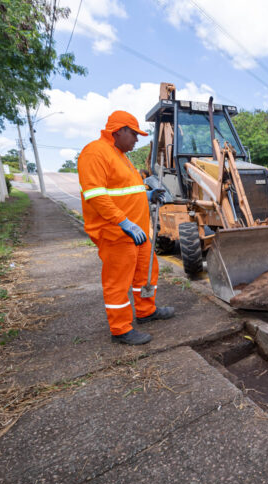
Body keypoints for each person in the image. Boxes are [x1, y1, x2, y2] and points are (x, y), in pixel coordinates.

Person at [78, 110, 173, 345]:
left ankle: (146, 311)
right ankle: (120, 329)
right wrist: (124, 222)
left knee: (146, 274)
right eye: (133, 133)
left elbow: (126, 191)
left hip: (137, 232)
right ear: (119, 131)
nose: (137, 139)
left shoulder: (120, 155)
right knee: (118, 282)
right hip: (116, 232)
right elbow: (96, 195)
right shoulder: (95, 152)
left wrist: (148, 194)